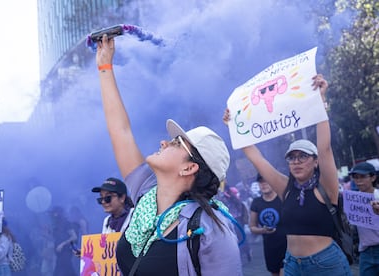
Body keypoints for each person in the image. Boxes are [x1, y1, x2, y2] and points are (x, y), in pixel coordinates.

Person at [95, 34, 242, 275]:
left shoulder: (212, 228)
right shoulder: (145, 194)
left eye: (175, 143)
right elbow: (120, 131)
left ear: (189, 168)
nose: (164, 142)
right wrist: (104, 66)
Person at [223, 74, 352, 275]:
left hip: (325, 265)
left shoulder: (326, 186)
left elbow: (324, 148)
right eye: (291, 158)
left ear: (315, 161)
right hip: (291, 264)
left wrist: (320, 100)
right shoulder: (286, 187)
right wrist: (234, 127)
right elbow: (258, 160)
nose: (296, 161)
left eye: (303, 156)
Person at [249, 174, 286, 276]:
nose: (263, 184)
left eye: (266, 181)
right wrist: (263, 230)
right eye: (261, 182)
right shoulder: (257, 202)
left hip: (286, 246)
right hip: (270, 247)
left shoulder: (282, 199)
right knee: (274, 273)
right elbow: (252, 227)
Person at [348, 162, 379, 275]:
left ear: (373, 177)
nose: (358, 180)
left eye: (363, 177)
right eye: (355, 177)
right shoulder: (352, 200)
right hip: (365, 251)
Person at [48, 206, 77, 276]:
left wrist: (62, 244)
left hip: (66, 252)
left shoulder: (66, 223)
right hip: (59, 254)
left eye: (54, 214)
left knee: (64, 271)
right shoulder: (56, 225)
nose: (52, 216)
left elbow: (74, 237)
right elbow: (57, 238)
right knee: (65, 271)